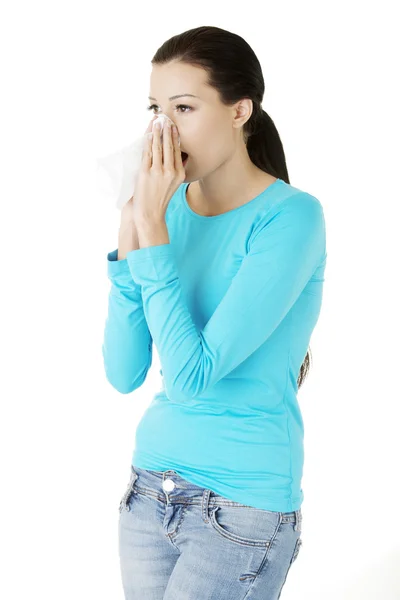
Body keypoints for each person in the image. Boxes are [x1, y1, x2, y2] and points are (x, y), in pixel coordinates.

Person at [102, 25, 327, 600]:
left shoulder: (291, 219)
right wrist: (132, 236)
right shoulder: (165, 212)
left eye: (184, 107)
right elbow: (123, 372)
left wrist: (151, 236)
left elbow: (191, 376)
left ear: (239, 111)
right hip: (150, 492)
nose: (164, 129)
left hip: (241, 510)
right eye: (157, 108)